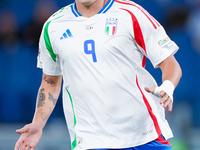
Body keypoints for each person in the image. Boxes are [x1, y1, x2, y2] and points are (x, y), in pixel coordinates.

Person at [14, 0, 182, 150]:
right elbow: (50, 82)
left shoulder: (131, 14)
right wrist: (38, 123)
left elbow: (169, 63)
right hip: (90, 140)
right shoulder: (53, 26)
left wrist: (168, 86)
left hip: (143, 134)